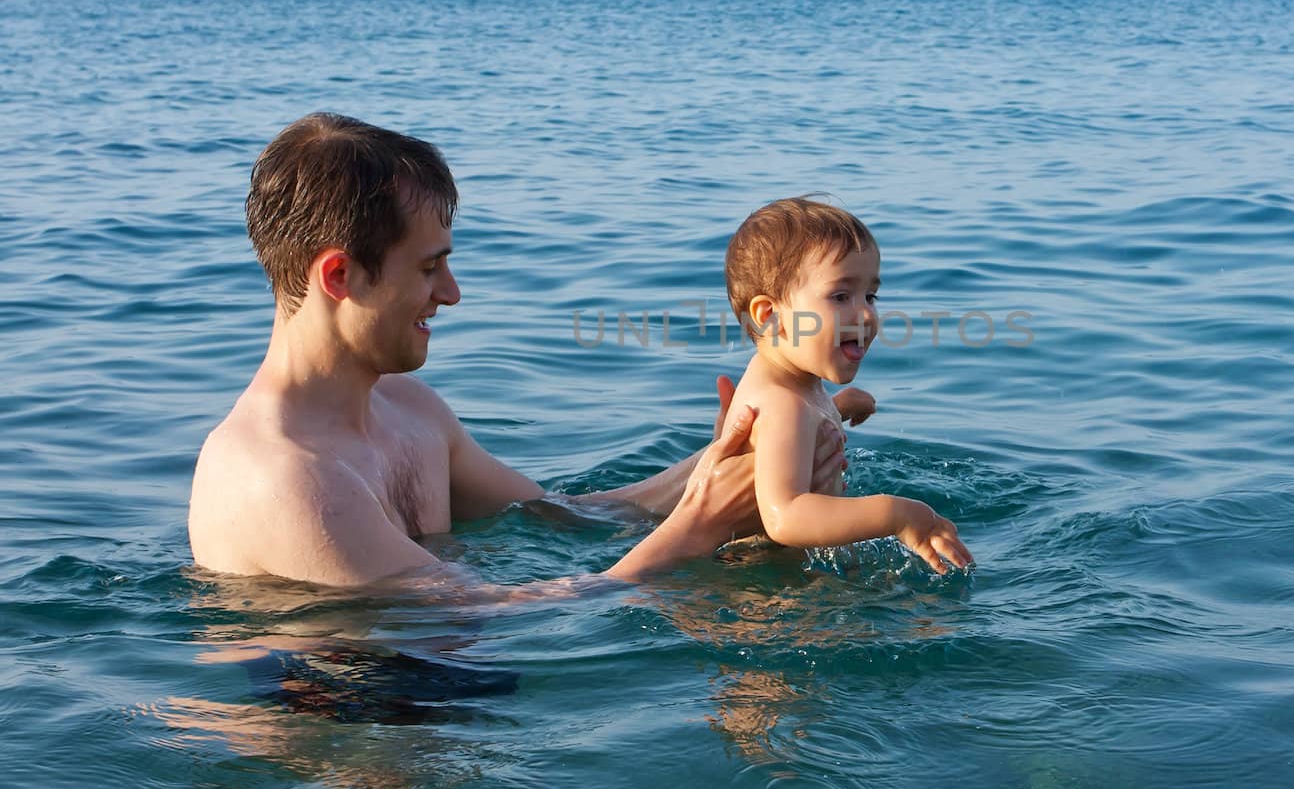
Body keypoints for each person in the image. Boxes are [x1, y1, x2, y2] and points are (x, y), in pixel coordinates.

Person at [187, 113, 851, 593]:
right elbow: (494, 619)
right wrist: (699, 526)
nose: (450, 293)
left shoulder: (411, 411)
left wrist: (733, 461)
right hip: (337, 742)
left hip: (449, 705)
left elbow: (564, 517)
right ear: (339, 276)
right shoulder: (286, 481)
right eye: (428, 269)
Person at [721, 197, 974, 574]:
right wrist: (899, 514)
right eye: (841, 296)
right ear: (771, 316)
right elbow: (785, 516)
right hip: (770, 586)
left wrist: (836, 407)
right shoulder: (784, 404)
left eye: (870, 296)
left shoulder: (790, 385)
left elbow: (792, 440)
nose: (867, 313)